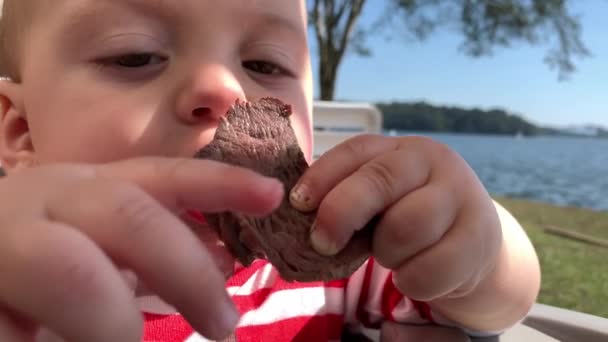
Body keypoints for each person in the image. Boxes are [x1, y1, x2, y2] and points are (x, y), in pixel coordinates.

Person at [0, 1, 540, 341]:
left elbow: (494, 307)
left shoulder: (332, 261)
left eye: (264, 65)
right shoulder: (23, 295)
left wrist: (480, 245)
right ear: (21, 133)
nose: (224, 89)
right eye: (135, 55)